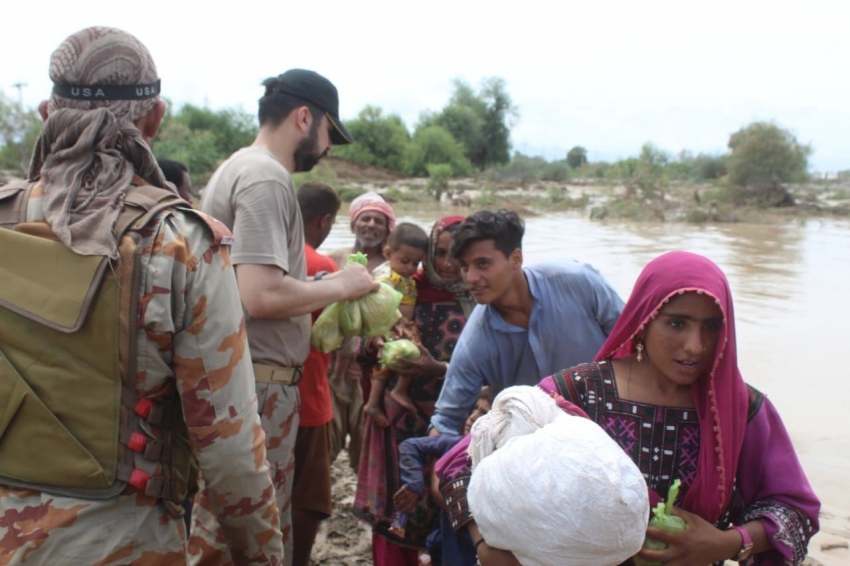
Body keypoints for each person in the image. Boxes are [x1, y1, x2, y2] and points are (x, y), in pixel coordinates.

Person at [0, 26, 282, 563]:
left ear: (45, 113)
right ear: (154, 119)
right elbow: (230, 452)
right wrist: (261, 555)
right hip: (118, 541)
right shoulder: (179, 242)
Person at [448, 251, 822, 565]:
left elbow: (793, 508)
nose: (695, 345)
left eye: (711, 327)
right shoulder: (574, 394)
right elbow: (462, 466)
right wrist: (486, 545)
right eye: (677, 323)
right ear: (644, 321)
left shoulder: (741, 410)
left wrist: (726, 543)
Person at [194, 69, 377, 566]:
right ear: (304, 118)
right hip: (259, 384)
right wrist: (344, 283)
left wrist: (316, 288)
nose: (328, 149)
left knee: (224, 524)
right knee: (252, 531)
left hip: (240, 377)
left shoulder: (237, 166)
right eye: (328, 134)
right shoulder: (265, 176)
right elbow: (260, 295)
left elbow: (248, 282)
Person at [430, 209, 624, 435]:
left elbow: (634, 342)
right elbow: (446, 420)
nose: (471, 278)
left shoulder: (577, 282)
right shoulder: (475, 341)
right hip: (538, 443)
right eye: (465, 266)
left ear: (515, 259)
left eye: (482, 264)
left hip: (613, 419)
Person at [354, 216, 475, 566]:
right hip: (399, 419)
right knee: (400, 504)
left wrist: (435, 369)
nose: (450, 264)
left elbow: (495, 371)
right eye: (441, 254)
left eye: (460, 255)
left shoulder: (483, 298)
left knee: (449, 501)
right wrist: (377, 343)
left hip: (455, 425)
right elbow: (362, 347)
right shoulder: (403, 287)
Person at [327, 191, 397, 470]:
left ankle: (366, 506)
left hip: (372, 372)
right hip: (332, 368)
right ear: (353, 224)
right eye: (365, 218)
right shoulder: (334, 259)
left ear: (387, 228)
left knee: (365, 448)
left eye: (378, 221)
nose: (371, 225)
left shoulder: (392, 268)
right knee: (324, 442)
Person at [292, 180, 341, 566]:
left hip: (260, 394)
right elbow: (335, 337)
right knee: (308, 498)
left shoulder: (267, 256)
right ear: (323, 221)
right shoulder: (322, 267)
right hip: (308, 398)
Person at [395, 387, 497, 566]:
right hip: (452, 541)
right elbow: (410, 446)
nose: (473, 416)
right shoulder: (453, 443)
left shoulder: (499, 457)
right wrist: (414, 484)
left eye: (484, 413)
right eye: (474, 409)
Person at [365, 221, 429, 423]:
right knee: (390, 360)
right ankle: (377, 401)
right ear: (387, 253)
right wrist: (397, 323)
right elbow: (380, 301)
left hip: (403, 325)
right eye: (405, 261)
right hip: (390, 325)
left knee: (401, 358)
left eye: (416, 263)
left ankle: (381, 399)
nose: (410, 268)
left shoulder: (404, 276)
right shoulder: (386, 277)